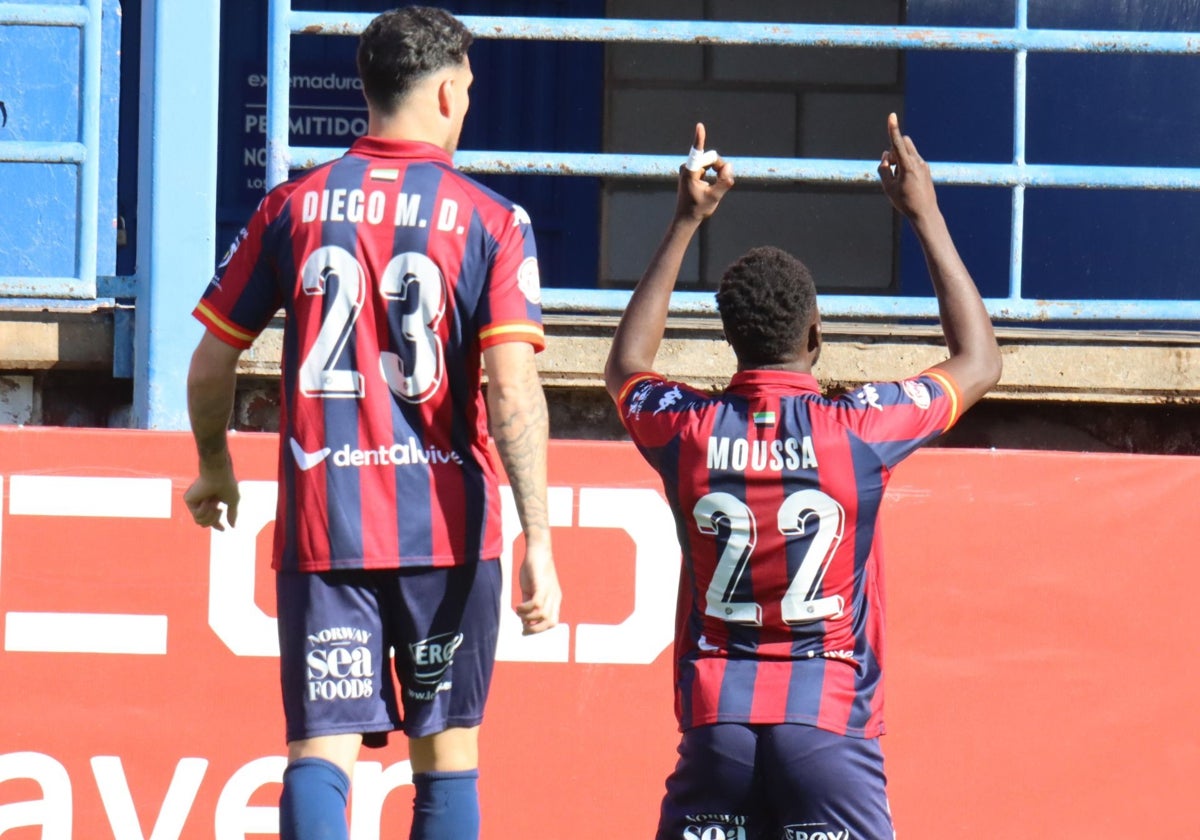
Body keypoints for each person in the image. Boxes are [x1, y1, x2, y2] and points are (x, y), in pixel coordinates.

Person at [183, 7, 561, 840]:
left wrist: (214, 464)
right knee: (445, 759)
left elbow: (211, 360)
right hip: (449, 538)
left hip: (328, 529)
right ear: (451, 92)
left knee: (320, 751)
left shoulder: (292, 206)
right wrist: (539, 535)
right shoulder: (496, 221)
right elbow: (512, 393)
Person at [604, 115, 1002, 840]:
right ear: (816, 337)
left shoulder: (686, 431)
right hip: (829, 729)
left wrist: (684, 221)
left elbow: (626, 367)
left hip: (716, 731)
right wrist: (927, 214)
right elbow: (978, 361)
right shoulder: (859, 430)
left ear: (729, 337)